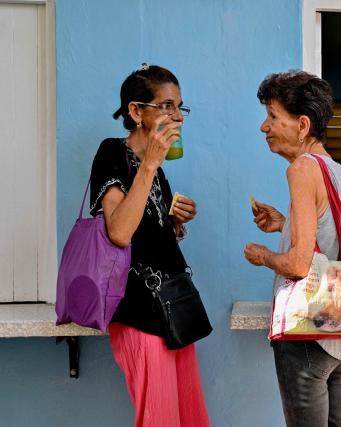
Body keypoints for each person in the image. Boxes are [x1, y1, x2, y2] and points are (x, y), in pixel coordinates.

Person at [89, 64, 210, 427]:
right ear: (137, 111)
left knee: (189, 417)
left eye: (180, 107)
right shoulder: (113, 153)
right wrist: (151, 161)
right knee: (159, 419)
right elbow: (119, 233)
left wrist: (177, 222)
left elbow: (152, 236)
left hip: (173, 308)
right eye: (167, 106)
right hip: (140, 311)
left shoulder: (158, 170)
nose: (178, 117)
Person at [244, 70, 341, 427]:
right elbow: (330, 238)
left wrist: (263, 256)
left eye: (274, 117)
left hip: (307, 336)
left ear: (303, 125)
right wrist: (285, 223)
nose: (265, 126)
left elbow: (298, 265)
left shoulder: (301, 170)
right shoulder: (335, 170)